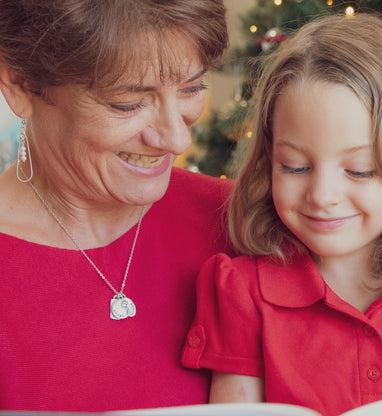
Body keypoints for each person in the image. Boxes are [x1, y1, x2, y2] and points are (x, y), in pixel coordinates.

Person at [0, 0, 232, 412]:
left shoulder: (240, 222)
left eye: (192, 88)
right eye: (128, 103)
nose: (178, 141)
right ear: (19, 83)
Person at [181, 13, 382, 416]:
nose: (322, 196)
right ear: (269, 158)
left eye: (359, 170)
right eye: (294, 166)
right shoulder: (243, 294)